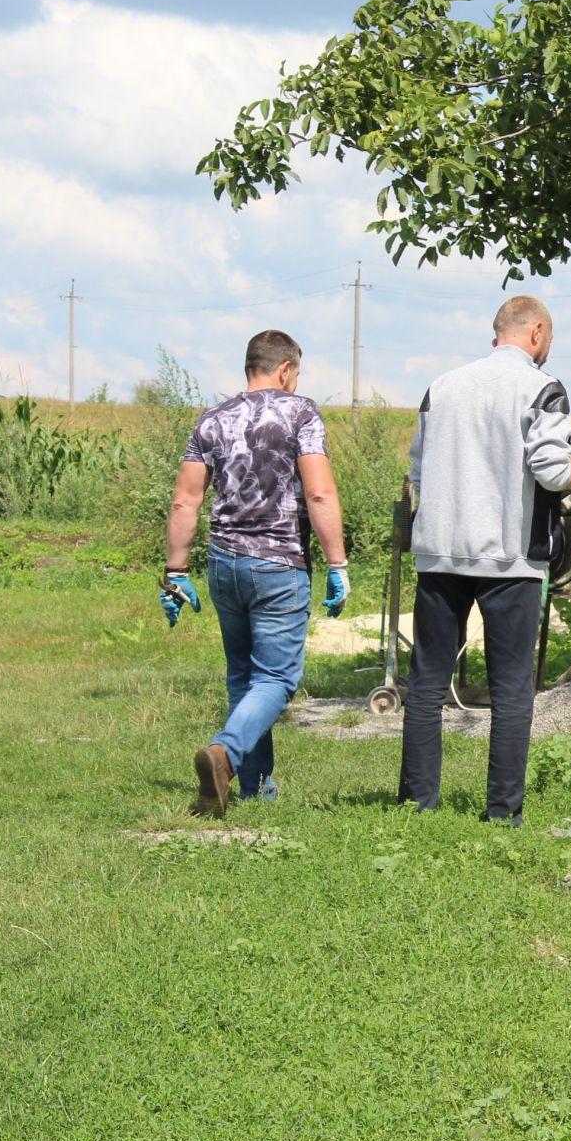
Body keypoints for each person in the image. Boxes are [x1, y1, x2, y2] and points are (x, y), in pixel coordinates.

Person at [398, 295, 571, 825]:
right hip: (510, 557)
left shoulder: (443, 385)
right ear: (536, 332)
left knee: (428, 680)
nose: (548, 346)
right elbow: (551, 471)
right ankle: (502, 812)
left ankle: (416, 803)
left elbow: (418, 468)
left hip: (440, 552)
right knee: (511, 687)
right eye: (548, 338)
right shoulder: (542, 388)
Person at [162, 330, 350, 818]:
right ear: (285, 368)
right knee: (278, 680)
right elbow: (320, 494)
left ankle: (256, 787)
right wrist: (337, 562)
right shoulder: (300, 412)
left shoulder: (212, 419)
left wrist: (175, 571)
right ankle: (223, 753)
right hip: (279, 564)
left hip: (223, 563)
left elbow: (186, 499)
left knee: (243, 676)